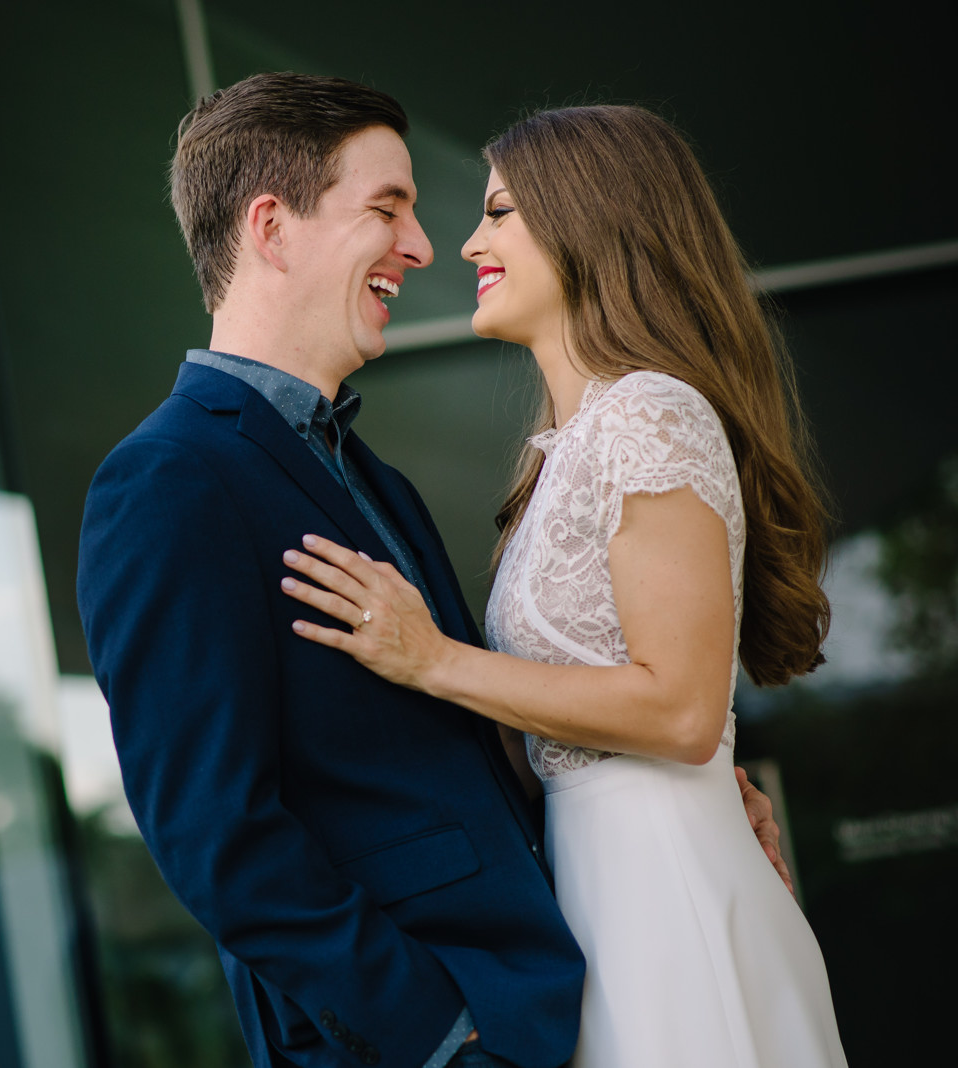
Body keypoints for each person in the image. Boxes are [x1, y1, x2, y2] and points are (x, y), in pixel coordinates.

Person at [78, 76, 789, 1068]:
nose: (422, 247)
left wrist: (690, 786)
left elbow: (458, 742)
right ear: (272, 230)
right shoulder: (166, 481)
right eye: (386, 210)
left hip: (555, 990)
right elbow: (215, 838)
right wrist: (440, 1035)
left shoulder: (380, 483)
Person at [281, 105, 847, 1067]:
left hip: (666, 901)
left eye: (499, 213)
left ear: (589, 220)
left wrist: (434, 661)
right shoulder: (561, 451)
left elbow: (677, 710)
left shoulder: (649, 414)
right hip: (595, 901)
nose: (468, 242)